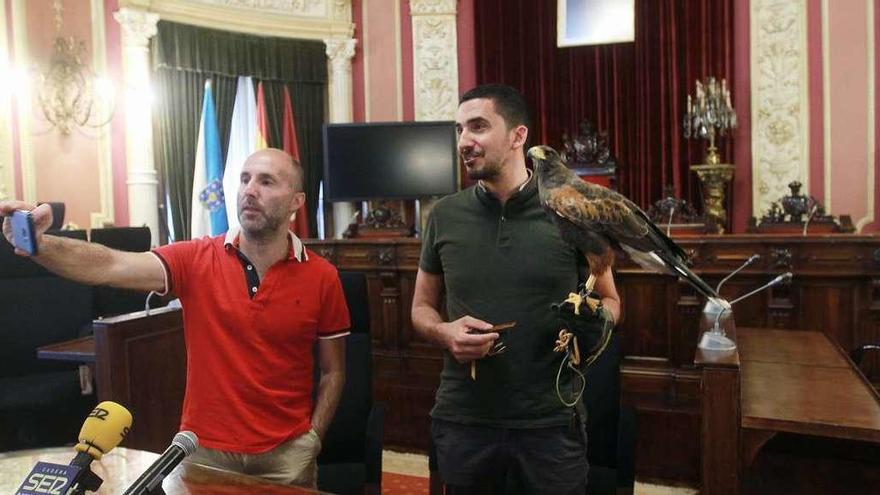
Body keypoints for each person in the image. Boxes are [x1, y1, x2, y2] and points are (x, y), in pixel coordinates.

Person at [1, 148, 350, 488]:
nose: (250, 190)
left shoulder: (323, 277)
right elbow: (110, 264)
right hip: (203, 451)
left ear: (297, 202)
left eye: (267, 181)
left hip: (286, 455)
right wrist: (41, 244)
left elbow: (334, 370)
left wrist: (313, 437)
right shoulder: (196, 258)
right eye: (245, 179)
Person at [411, 84, 621, 494]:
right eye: (459, 129)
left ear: (517, 137)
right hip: (464, 421)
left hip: (550, 424)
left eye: (478, 127)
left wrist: (596, 322)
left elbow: (612, 301)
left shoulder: (570, 213)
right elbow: (421, 307)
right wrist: (443, 332)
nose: (464, 141)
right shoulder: (443, 215)